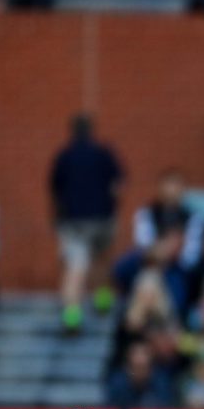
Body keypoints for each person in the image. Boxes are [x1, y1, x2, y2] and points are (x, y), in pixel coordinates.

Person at [49, 114, 124, 333]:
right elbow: (118, 184)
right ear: (91, 131)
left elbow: (55, 190)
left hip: (72, 221)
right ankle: (102, 299)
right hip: (102, 218)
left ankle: (72, 314)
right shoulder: (103, 153)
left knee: (75, 266)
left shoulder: (64, 156)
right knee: (101, 258)